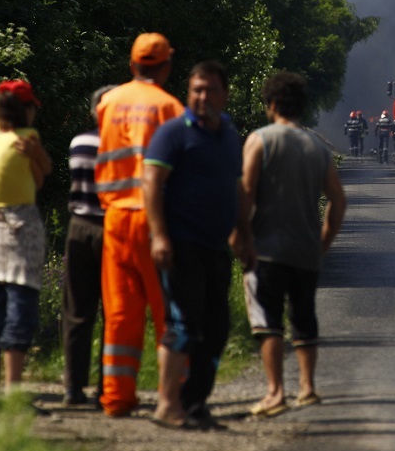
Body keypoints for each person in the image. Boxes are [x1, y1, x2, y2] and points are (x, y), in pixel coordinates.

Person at [232, 71, 346, 417]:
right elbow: (339, 202)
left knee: (268, 322)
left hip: (267, 248)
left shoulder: (260, 140)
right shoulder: (318, 148)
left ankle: (275, 392)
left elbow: (246, 193)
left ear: (272, 105)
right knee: (303, 316)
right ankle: (308, 388)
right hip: (305, 250)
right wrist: (323, 241)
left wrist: (241, 236)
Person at [143, 61, 242, 430]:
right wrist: (160, 235)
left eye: (210, 89)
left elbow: (236, 188)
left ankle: (195, 403)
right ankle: (167, 405)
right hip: (180, 245)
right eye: (196, 89)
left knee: (216, 328)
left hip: (216, 248)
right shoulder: (173, 133)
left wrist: (241, 234)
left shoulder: (229, 135)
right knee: (182, 325)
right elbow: (151, 183)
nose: (202, 96)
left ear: (224, 94)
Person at [95, 32, 184, 417]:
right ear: (165, 66)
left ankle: (117, 398)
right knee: (168, 310)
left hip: (115, 220)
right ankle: (176, 395)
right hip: (156, 220)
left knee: (119, 312)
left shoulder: (108, 103)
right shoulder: (171, 108)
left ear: (131, 65)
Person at [0, 80, 52, 392]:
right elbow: (44, 173)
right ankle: (13, 390)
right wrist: (37, 154)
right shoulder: (28, 137)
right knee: (20, 307)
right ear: (25, 110)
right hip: (21, 226)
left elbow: (32, 177)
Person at [61, 85, 116, 406]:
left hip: (79, 227)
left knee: (78, 310)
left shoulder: (78, 142)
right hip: (110, 226)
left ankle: (72, 387)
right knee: (112, 310)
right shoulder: (121, 146)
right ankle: (107, 385)